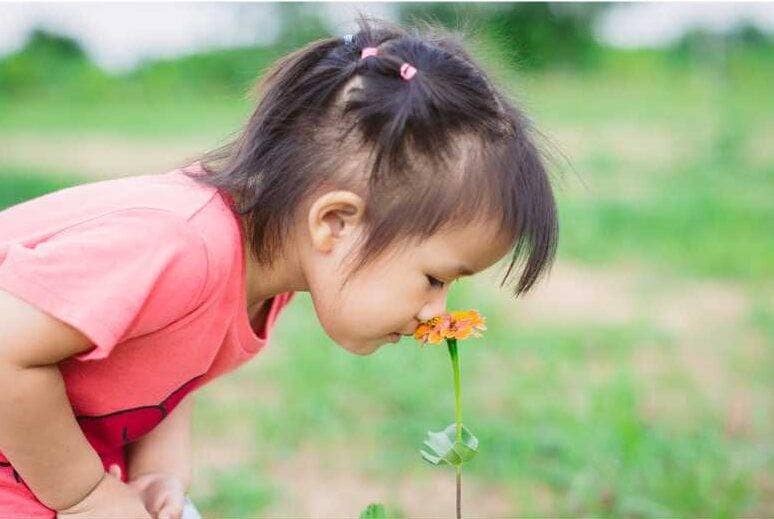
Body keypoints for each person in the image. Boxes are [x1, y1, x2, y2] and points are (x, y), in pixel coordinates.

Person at [0, 14, 558, 519]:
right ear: (335, 222)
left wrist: (156, 473)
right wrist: (84, 497)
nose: (435, 314)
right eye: (435, 279)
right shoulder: (181, 245)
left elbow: (164, 362)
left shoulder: (265, 268)